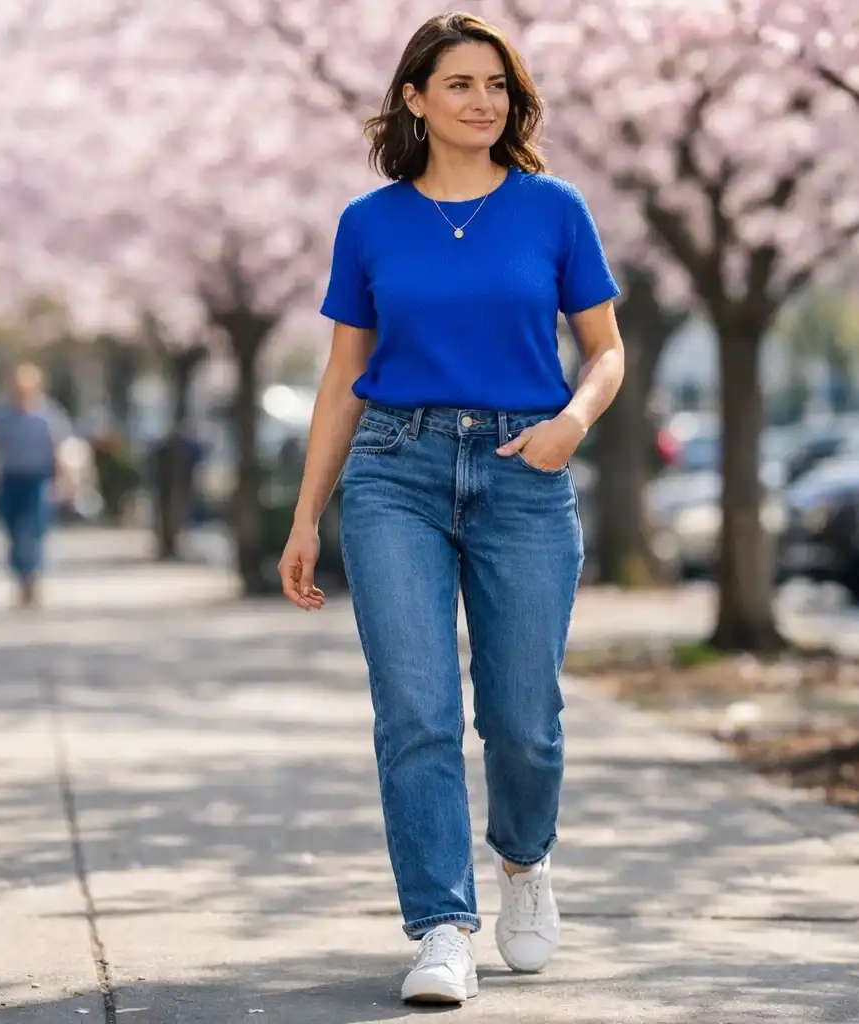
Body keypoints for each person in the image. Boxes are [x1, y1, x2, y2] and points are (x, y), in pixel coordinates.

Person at [277, 12, 626, 1007]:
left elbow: (606, 350)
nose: (483, 102)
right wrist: (306, 515)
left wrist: (572, 423)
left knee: (523, 719)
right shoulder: (369, 223)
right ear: (416, 100)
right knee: (416, 711)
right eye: (461, 84)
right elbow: (342, 377)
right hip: (397, 471)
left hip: (526, 470)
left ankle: (524, 858)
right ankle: (442, 926)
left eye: (497, 85)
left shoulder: (554, 209)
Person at [0, 362, 71, 607]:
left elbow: (59, 448)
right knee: (12, 531)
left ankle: (32, 577)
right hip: (9, 478)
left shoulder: (48, 414)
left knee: (32, 531)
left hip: (37, 479)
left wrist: (64, 480)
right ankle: (21, 575)